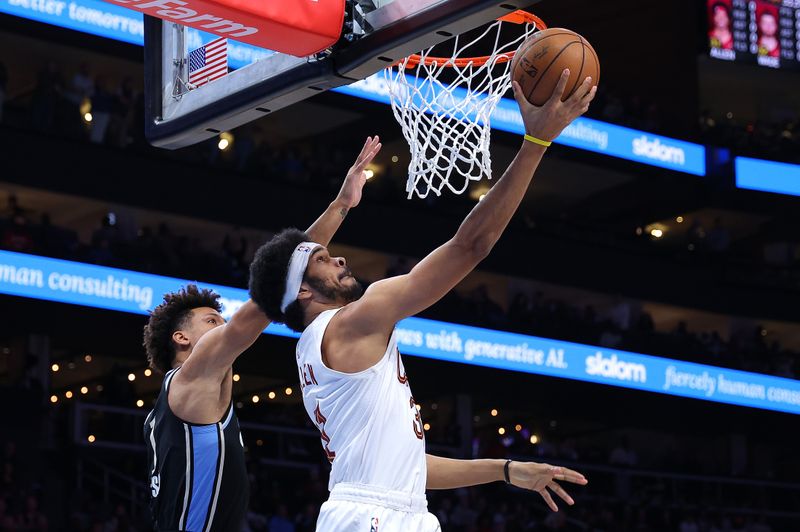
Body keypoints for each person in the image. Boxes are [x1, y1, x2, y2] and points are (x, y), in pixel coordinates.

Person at [249, 70, 595, 531]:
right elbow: (470, 246)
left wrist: (506, 470)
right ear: (305, 292)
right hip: (374, 515)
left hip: (381, 508)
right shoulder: (354, 321)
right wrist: (536, 142)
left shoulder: (318, 349)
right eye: (325, 260)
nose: (340, 259)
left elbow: (411, 469)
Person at [141, 136, 381, 531]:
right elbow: (268, 297)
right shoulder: (192, 375)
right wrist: (339, 207)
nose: (223, 328)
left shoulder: (169, 409)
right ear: (181, 339)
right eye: (210, 322)